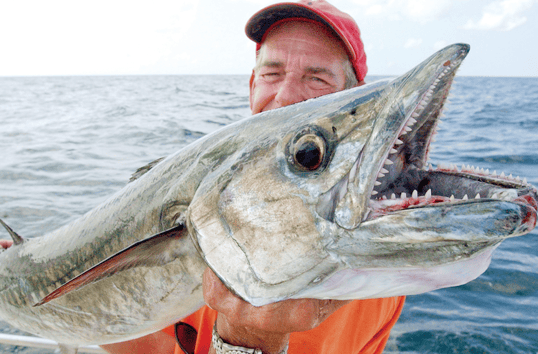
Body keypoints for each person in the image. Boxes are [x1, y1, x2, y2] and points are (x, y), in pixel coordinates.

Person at [1, 1, 405, 353]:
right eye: (272, 73)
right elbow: (153, 343)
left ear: (352, 97)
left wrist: (247, 343)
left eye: (317, 78)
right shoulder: (203, 202)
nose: (284, 96)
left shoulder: (379, 273)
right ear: (252, 85)